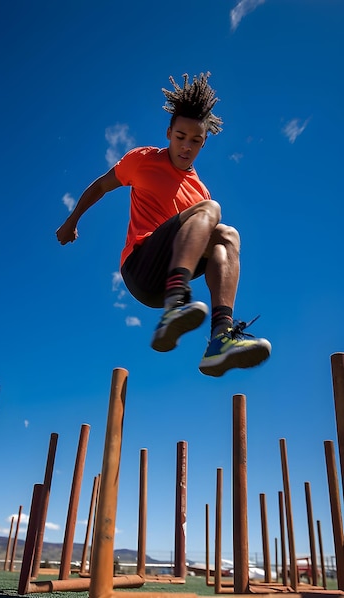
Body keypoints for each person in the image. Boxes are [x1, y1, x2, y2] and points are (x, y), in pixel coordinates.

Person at [56, 72, 271, 377]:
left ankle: (219, 339)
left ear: (204, 143)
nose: (186, 147)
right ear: (169, 132)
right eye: (181, 137)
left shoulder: (199, 190)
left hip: (168, 276)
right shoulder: (143, 160)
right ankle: (175, 303)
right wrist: (71, 220)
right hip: (140, 267)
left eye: (195, 141)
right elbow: (101, 186)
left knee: (227, 236)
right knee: (211, 210)